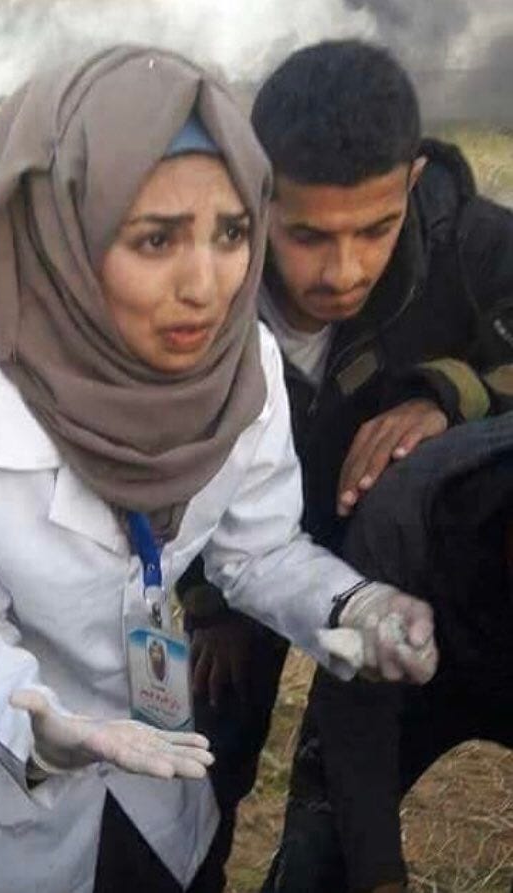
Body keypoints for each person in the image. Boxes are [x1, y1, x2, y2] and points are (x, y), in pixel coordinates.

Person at [0, 46, 437, 893]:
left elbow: (258, 552)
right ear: (68, 224)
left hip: (156, 740)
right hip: (8, 770)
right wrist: (46, 727)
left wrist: (356, 604)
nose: (206, 285)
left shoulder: (243, 362)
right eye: (156, 238)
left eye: (233, 232)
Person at [176, 37, 513, 886]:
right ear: (255, 192)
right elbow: (170, 451)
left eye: (375, 228)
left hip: (400, 583)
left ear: (411, 181)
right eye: (306, 234)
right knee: (198, 770)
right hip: (242, 574)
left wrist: (451, 393)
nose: (343, 269)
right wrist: (207, 599)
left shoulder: (469, 244)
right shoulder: (201, 281)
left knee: (332, 812)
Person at [263, 412, 513, 893]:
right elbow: (356, 727)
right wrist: (379, 876)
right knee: (321, 850)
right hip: (410, 673)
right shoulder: (405, 513)